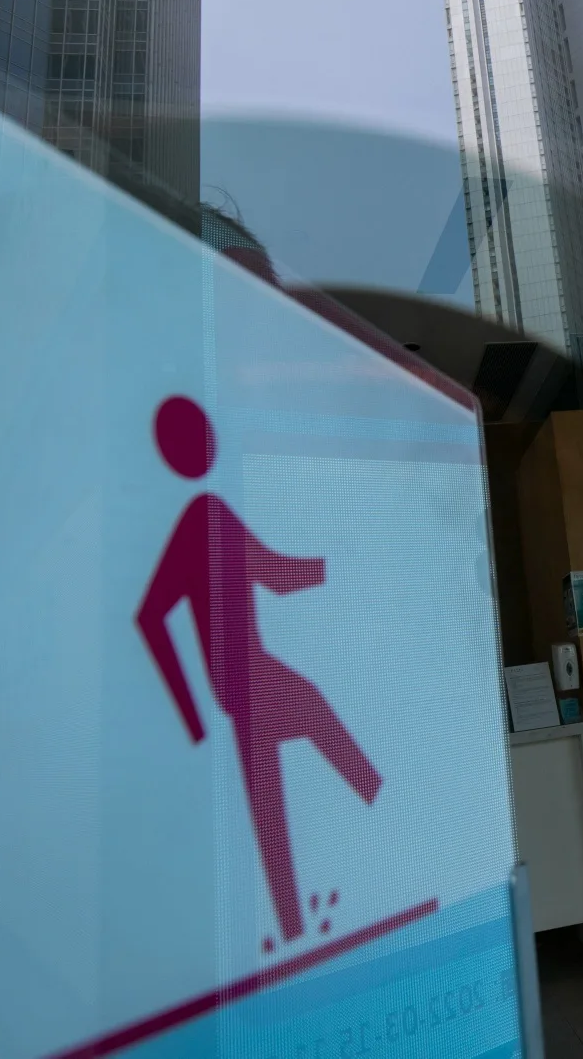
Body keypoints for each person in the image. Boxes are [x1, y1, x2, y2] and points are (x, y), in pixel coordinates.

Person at [135, 395, 382, 944]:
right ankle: (378, 822)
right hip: (248, 682)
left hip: (244, 683)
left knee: (271, 797)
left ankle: (295, 924)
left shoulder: (208, 515)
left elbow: (277, 575)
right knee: (283, 776)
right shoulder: (203, 518)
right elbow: (153, 615)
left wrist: (336, 562)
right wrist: (190, 716)